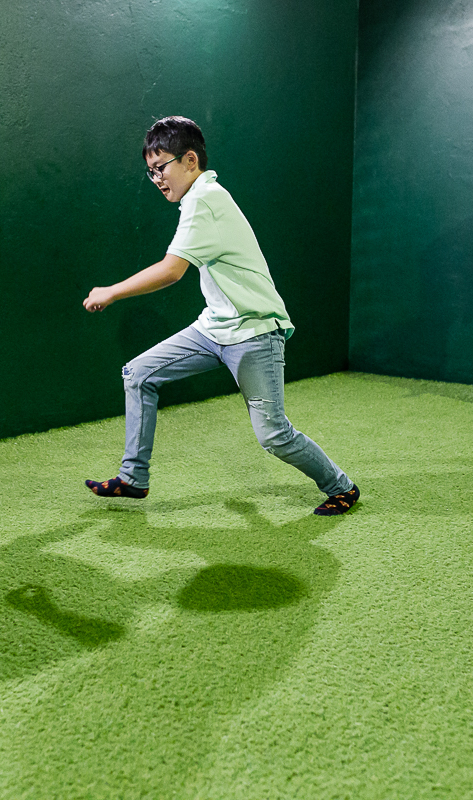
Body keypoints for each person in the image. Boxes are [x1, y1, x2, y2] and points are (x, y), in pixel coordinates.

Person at [82, 116, 359, 515]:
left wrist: (111, 291)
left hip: (254, 331)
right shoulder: (200, 199)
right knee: (138, 374)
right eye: (150, 171)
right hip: (214, 327)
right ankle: (133, 479)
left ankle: (342, 487)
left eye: (161, 167)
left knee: (273, 435)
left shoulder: (205, 199)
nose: (157, 178)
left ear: (189, 160)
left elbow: (172, 270)